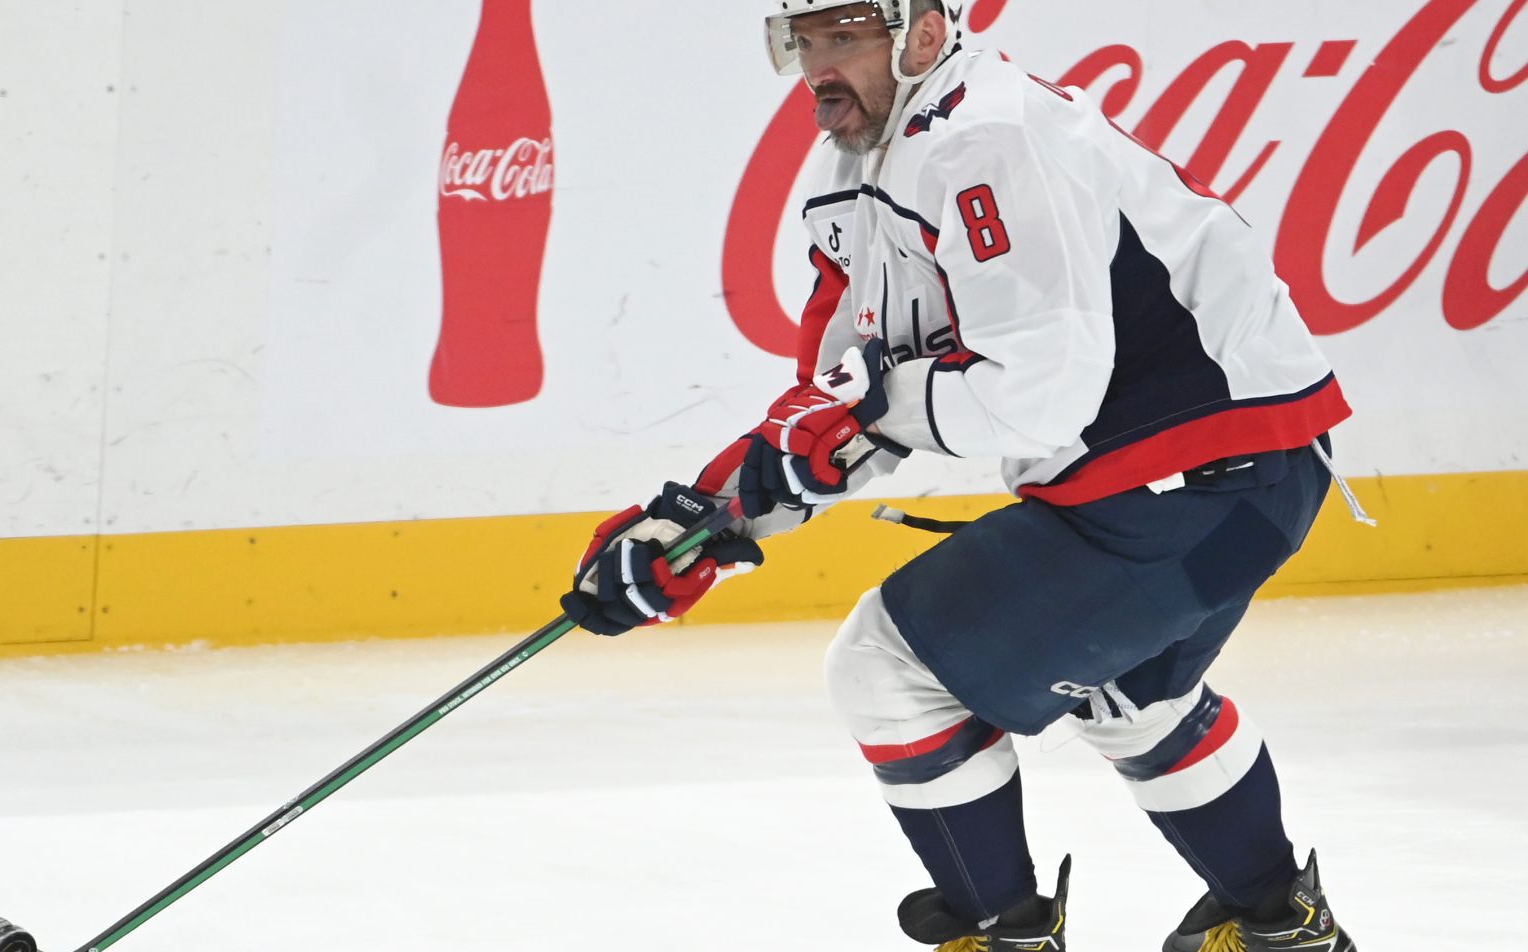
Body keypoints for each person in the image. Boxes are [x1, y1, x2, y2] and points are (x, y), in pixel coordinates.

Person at [560, 2, 1367, 949]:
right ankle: (1280, 923)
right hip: (1236, 481)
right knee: (1133, 697)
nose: (821, 67)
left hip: (1196, 478)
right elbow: (842, 404)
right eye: (805, 40)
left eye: (847, 37)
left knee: (887, 669)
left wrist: (828, 439)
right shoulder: (868, 165)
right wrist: (702, 521)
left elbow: (1035, 395)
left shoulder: (988, 139)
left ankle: (1004, 934)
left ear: (924, 34)